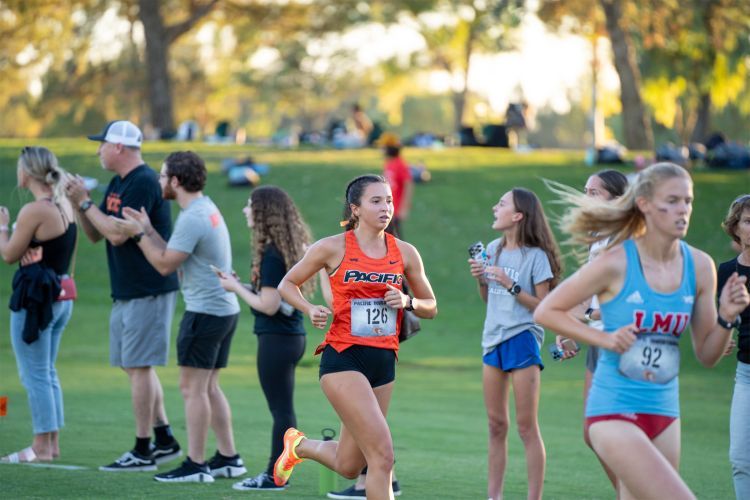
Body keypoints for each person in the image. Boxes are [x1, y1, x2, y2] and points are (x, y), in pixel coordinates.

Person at [534, 163, 750, 499]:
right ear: (645, 204)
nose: (683, 210)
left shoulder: (700, 265)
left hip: (665, 411)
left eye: (688, 201)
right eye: (672, 200)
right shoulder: (615, 260)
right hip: (613, 409)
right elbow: (547, 310)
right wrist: (604, 337)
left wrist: (726, 317)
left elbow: (708, 355)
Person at [274, 174, 437, 500]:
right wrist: (309, 308)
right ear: (356, 208)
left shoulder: (405, 253)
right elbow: (286, 284)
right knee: (383, 456)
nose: (385, 207)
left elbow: (430, 306)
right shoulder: (331, 247)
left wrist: (407, 301)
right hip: (343, 357)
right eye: (376, 201)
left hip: (384, 362)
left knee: (350, 464)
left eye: (389, 200)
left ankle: (299, 446)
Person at [113, 151, 245, 483]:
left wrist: (138, 234)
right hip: (223, 311)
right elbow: (171, 251)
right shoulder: (204, 208)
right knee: (210, 387)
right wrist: (146, 228)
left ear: (175, 181)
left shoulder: (193, 217)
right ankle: (229, 458)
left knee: (192, 389)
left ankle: (196, 465)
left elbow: (163, 265)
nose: (158, 181)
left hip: (205, 314)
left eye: (161, 176)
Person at [65, 120, 181, 471]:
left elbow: (117, 234)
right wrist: (77, 205)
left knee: (139, 366)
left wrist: (85, 204)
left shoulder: (143, 181)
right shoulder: (118, 182)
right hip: (128, 288)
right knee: (134, 367)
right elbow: (96, 234)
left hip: (148, 288)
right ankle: (164, 440)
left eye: (101, 144)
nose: (98, 150)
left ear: (118, 147)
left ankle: (143, 449)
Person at [216, 186, 314, 491]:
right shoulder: (283, 249)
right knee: (283, 408)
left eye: (250, 206)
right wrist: (240, 283)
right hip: (290, 337)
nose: (246, 211)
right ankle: (277, 472)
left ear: (262, 214)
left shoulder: (273, 254)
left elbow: (269, 305)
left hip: (277, 339)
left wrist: (236, 289)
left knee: (281, 410)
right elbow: (274, 297)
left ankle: (275, 475)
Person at [467, 187, 562, 500]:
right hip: (492, 339)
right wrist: (481, 278)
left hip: (522, 338)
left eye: (502, 204)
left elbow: (543, 307)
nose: (496, 207)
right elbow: (486, 299)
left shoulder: (536, 256)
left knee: (525, 427)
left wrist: (510, 284)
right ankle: (494, 497)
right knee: (496, 425)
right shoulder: (492, 249)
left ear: (518, 215)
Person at [0, 147, 76, 463]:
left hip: (36, 299)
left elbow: (8, 254)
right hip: (60, 295)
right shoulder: (64, 204)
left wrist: (3, 226)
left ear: (27, 173)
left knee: (34, 374)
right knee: (46, 371)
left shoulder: (35, 210)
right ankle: (51, 444)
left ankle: (41, 447)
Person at [555, 169, 628, 490]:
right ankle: (631, 493)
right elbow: (585, 289)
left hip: (619, 343)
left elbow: (630, 298)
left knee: (610, 431)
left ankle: (638, 493)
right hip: (598, 339)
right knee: (592, 432)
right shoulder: (599, 239)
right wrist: (567, 324)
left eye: (593, 192)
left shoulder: (629, 240)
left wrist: (584, 315)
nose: (585, 198)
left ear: (617, 199)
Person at [720, 194, 750, 499]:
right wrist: (724, 333)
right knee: (741, 460)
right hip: (747, 375)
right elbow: (723, 318)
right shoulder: (727, 271)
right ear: (736, 227)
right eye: (749, 221)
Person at [378, 132, 413, 240]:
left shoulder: (400, 164)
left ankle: (401, 257)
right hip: (387, 207)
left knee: (395, 239)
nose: (381, 150)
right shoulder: (388, 163)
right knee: (386, 238)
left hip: (396, 209)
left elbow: (408, 185)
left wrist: (404, 208)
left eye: (383, 147)